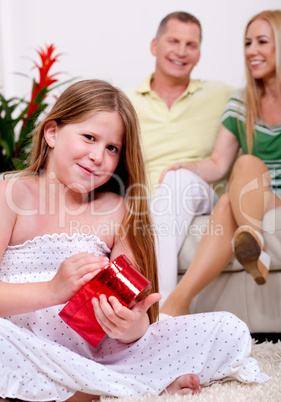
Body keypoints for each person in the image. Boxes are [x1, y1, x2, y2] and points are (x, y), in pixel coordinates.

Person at [0, 79, 268, 401]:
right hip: (22, 341)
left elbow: (135, 318)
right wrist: (52, 290)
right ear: (52, 133)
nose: (98, 156)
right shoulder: (12, 194)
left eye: (112, 148)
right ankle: (108, 389)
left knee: (227, 330)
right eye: (89, 138)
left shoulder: (117, 209)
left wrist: (130, 325)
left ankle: (89, 386)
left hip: (99, 355)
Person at [160, 9, 281, 317]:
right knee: (242, 174)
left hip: (274, 196)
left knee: (236, 190)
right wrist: (186, 168)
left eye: (262, 42)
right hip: (255, 194)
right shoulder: (241, 103)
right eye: (247, 42)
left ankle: (253, 247)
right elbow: (217, 163)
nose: (252, 50)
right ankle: (176, 302)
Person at [126, 11, 235, 304]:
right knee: (163, 195)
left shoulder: (224, 95)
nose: (181, 51)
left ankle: (159, 312)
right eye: (174, 41)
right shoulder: (125, 101)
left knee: (179, 180)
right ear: (155, 45)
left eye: (191, 44)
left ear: (199, 54)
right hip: (147, 201)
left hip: (201, 195)